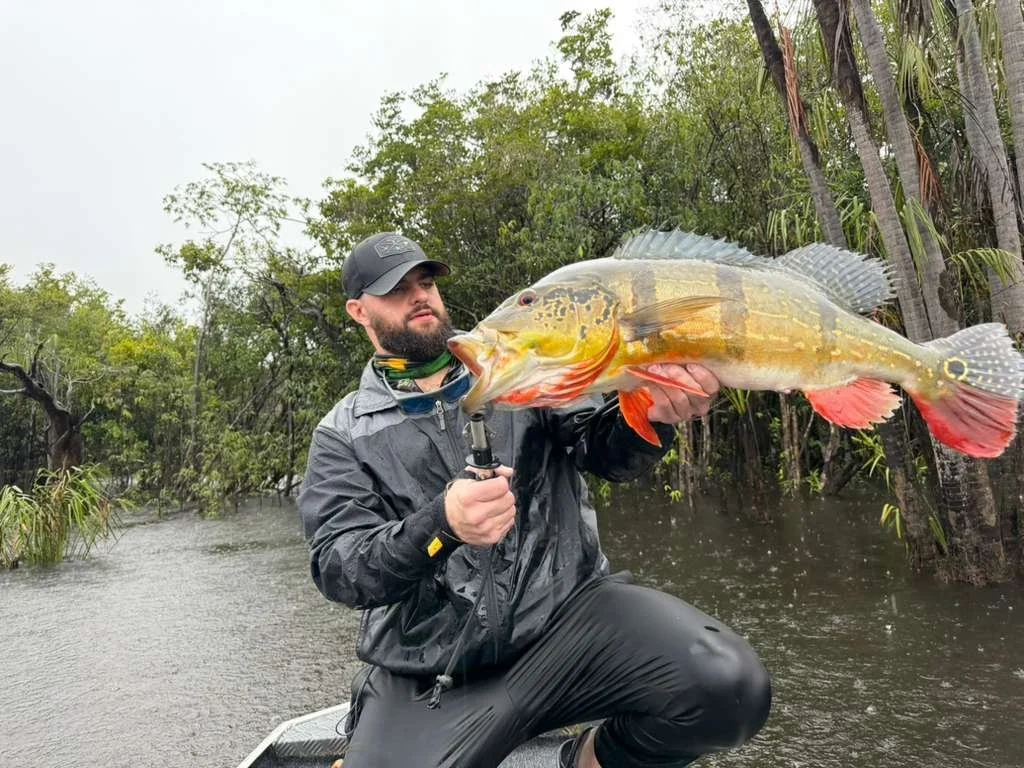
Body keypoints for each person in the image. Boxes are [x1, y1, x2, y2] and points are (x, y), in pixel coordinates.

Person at [298, 232, 771, 768]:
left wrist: (650, 416)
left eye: (425, 282)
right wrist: (442, 525)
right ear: (359, 311)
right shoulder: (341, 435)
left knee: (729, 689)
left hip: (570, 624)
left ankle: (585, 759)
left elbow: (603, 453)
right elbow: (342, 570)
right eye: (395, 290)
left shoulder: (525, 364)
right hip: (434, 665)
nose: (420, 296)